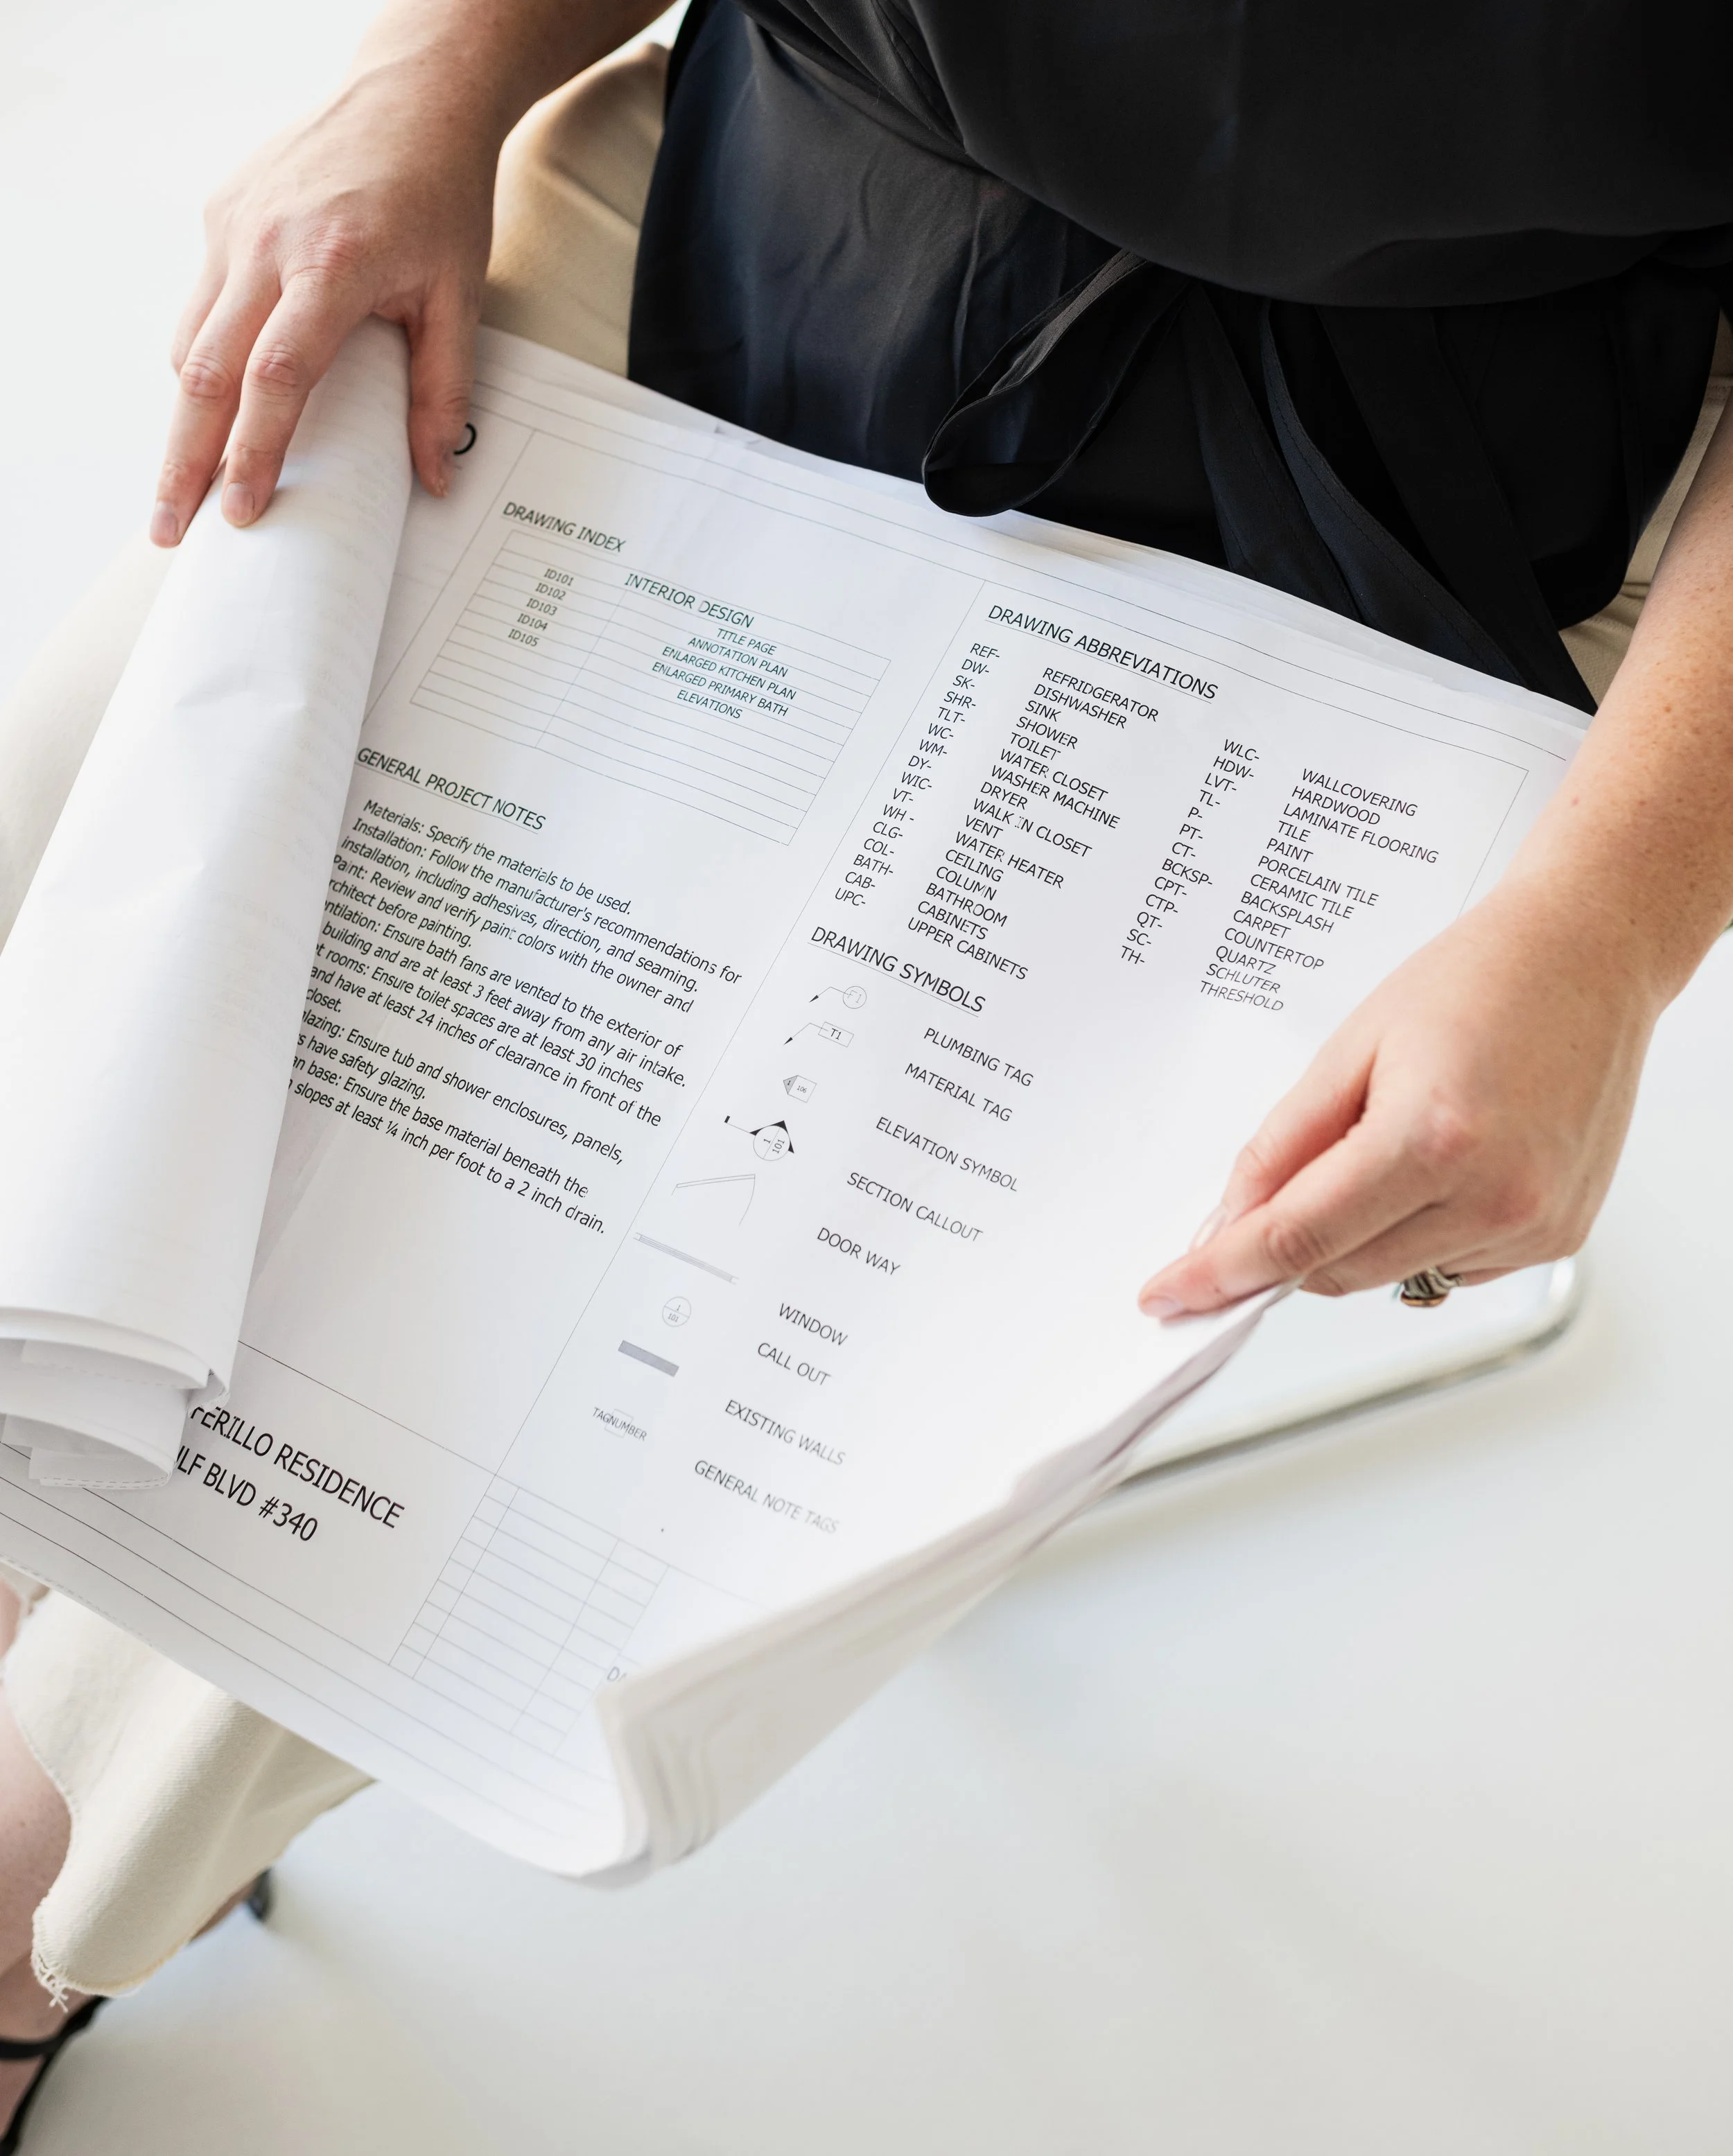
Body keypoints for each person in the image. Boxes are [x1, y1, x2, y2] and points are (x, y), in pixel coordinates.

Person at [3, 0, 1733, 2133]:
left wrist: (1607, 924)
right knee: (92, 942)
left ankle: (41, 1902)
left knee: (481, 1383)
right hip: (767, 193)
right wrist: (424, 86)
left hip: (1450, 478)